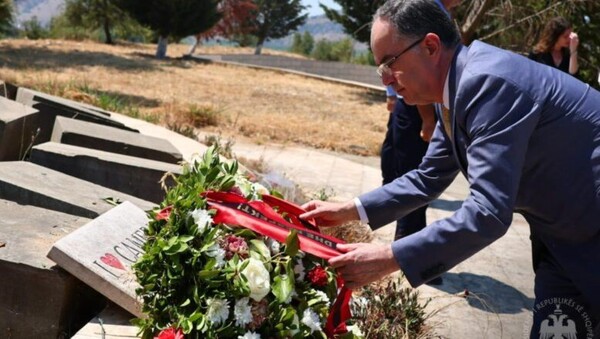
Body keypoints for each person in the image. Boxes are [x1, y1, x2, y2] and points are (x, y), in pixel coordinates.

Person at [300, 0, 600, 337]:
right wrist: (347, 210)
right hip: (562, 239)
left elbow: (487, 212)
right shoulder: (454, 89)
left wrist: (389, 257)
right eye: (379, 68)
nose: (386, 78)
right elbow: (428, 178)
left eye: (389, 63)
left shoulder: (486, 83)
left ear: (429, 46)